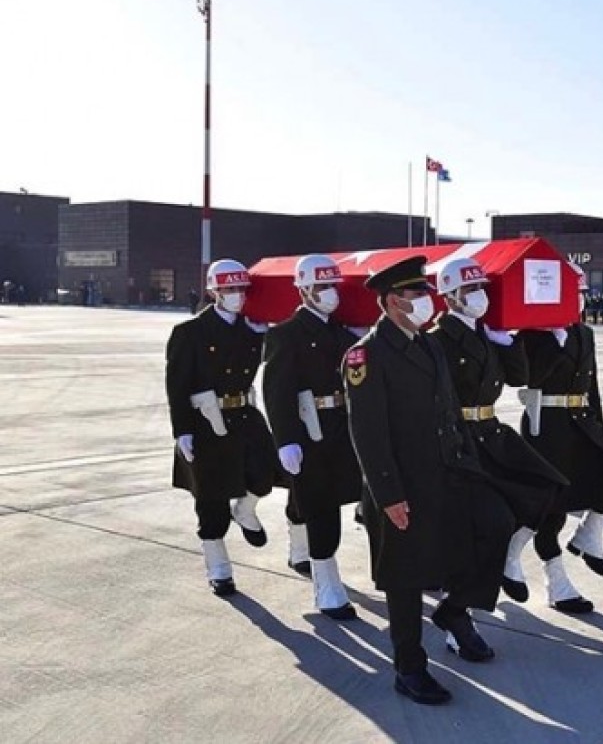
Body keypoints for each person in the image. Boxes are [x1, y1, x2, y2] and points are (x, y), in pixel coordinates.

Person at [345, 255, 516, 705]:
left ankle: (454, 610)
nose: (426, 300)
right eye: (415, 294)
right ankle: (410, 668)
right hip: (403, 484)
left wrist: (467, 460)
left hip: (449, 472)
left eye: (425, 292)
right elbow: (368, 433)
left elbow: (448, 411)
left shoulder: (427, 344)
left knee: (497, 523)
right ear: (390, 302)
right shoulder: (366, 354)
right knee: (405, 577)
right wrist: (388, 496)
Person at [426, 257, 568, 614]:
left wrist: (506, 343)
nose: (478, 296)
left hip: (491, 432)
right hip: (460, 439)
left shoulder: (488, 332)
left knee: (550, 488)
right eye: (469, 289)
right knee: (479, 524)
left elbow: (520, 378)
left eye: (481, 288)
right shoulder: (437, 339)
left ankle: (510, 557)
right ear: (450, 296)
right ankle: (460, 611)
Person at [517, 264, 603, 614]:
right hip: (547, 427)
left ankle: (588, 535)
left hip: (581, 422)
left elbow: (593, 386)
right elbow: (528, 378)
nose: (579, 302)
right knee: (551, 509)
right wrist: (551, 340)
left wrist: (600, 427)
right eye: (572, 295)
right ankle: (557, 583)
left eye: (581, 295)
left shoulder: (585, 333)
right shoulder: (533, 333)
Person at [165, 259, 277, 597]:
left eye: (242, 289)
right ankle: (219, 568)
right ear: (214, 291)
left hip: (244, 413)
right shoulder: (190, 332)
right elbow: (177, 384)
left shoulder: (254, 329)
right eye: (229, 289)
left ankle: (245, 510)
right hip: (206, 423)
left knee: (266, 473)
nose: (237, 296)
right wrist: (182, 430)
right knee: (211, 500)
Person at [261, 254, 362, 619]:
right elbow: (277, 391)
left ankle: (298, 533)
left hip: (341, 428)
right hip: (308, 430)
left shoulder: (342, 333)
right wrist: (285, 439)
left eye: (333, 285)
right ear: (303, 290)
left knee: (329, 497)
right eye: (321, 286)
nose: (329, 293)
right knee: (322, 507)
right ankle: (327, 586)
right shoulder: (286, 333)